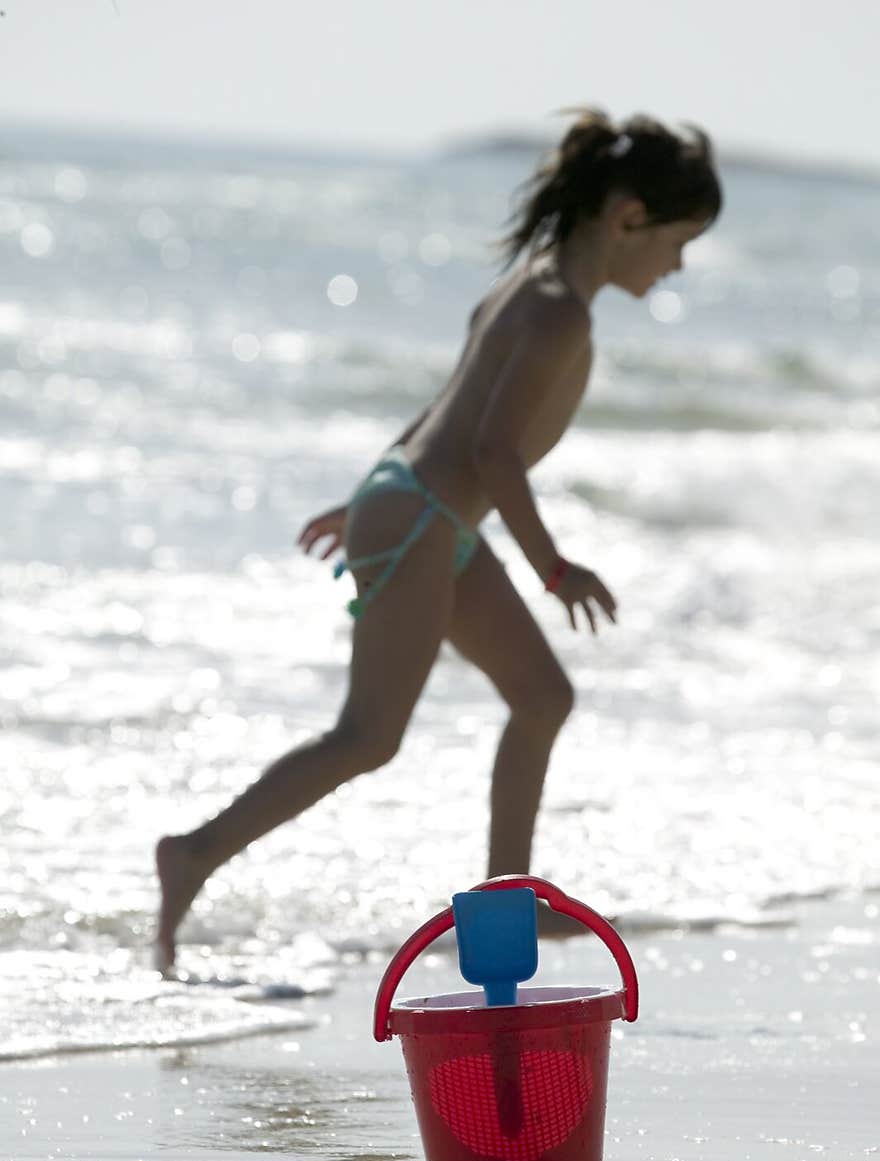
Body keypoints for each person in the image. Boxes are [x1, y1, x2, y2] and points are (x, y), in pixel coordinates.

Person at [154, 107, 723, 974]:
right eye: (679, 242)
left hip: (419, 508)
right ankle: (192, 853)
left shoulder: (530, 286)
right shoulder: (558, 312)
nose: (677, 266)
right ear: (629, 216)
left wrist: (369, 497)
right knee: (369, 737)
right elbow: (491, 449)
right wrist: (554, 567)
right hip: (423, 517)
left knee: (542, 697)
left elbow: (446, 411)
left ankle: (503, 915)